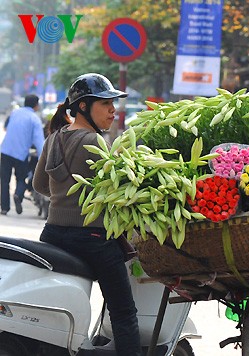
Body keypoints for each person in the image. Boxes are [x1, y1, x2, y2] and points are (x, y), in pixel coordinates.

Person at [32, 73, 141, 356]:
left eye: (112, 104)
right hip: (92, 238)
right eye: (105, 104)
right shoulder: (94, 140)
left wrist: (64, 196)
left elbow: (40, 185)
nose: (112, 110)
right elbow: (115, 192)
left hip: (53, 234)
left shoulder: (54, 138)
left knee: (54, 307)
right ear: (83, 106)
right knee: (124, 312)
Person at [1, 94, 45, 215]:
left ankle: (4, 208)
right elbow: (39, 141)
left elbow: (6, 127)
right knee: (21, 178)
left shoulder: (15, 113)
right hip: (20, 154)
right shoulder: (34, 119)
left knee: (4, 180)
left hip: (5, 150)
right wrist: (44, 158)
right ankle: (18, 195)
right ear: (36, 105)